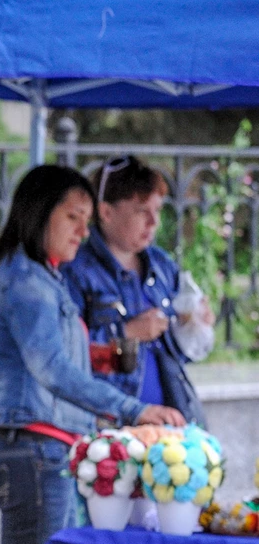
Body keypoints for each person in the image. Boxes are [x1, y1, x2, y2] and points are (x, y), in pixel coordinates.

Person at [0, 165, 185, 544]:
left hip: (45, 450)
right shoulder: (27, 282)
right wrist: (134, 409)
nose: (83, 232)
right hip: (35, 450)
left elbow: (50, 358)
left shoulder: (44, 276)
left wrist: (99, 357)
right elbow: (52, 369)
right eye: (73, 217)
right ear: (39, 212)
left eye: (86, 221)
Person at [63, 155, 207, 425]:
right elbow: (66, 357)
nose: (154, 222)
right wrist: (127, 333)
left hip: (170, 419)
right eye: (141, 211)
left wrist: (193, 325)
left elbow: (180, 354)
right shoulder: (76, 270)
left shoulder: (162, 266)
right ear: (106, 212)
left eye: (158, 210)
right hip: (108, 424)